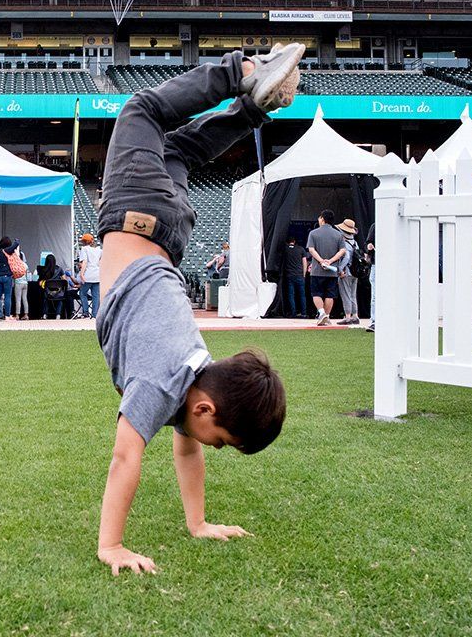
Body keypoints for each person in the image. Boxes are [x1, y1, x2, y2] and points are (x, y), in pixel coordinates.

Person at [93, 45, 298, 575]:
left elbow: (187, 451)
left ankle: (252, 110)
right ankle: (243, 72)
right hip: (140, 216)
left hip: (166, 228)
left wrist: (198, 523)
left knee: (179, 151)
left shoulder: (193, 370)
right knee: (140, 110)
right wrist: (112, 545)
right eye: (224, 442)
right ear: (206, 410)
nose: (213, 448)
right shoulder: (165, 384)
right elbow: (125, 458)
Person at [306, 209, 347, 327]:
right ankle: (327, 317)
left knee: (316, 293)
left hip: (317, 270)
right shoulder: (338, 234)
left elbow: (311, 249)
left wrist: (321, 261)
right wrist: (331, 261)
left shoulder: (313, 233)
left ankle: (322, 313)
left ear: (323, 219)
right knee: (330, 294)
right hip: (332, 271)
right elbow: (343, 250)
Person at [335, 219, 361, 326]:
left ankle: (347, 316)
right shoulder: (355, 243)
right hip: (356, 273)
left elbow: (346, 257)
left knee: (345, 294)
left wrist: (340, 269)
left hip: (347, 272)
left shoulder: (344, 244)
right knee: (353, 294)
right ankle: (355, 316)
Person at [281, 235, 308, 318]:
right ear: (294, 241)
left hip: (289, 275)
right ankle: (303, 313)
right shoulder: (301, 249)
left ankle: (293, 313)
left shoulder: (285, 249)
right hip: (299, 274)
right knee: (302, 295)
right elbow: (305, 262)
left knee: (291, 295)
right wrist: (304, 274)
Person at [77, 233, 102, 318]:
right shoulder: (99, 250)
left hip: (88, 275)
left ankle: (86, 312)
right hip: (97, 275)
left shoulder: (84, 249)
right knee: (96, 296)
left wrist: (81, 274)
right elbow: (99, 263)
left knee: (82, 293)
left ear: (84, 242)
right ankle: (95, 315)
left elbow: (84, 262)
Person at [40, 253, 67, 319]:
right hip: (58, 292)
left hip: (48, 293)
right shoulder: (59, 269)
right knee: (60, 298)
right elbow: (64, 280)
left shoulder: (44, 270)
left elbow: (41, 283)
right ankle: (58, 315)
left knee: (45, 298)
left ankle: (45, 314)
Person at [10, 241, 30, 320]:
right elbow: (28, 274)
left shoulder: (15, 265)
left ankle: (17, 315)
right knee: (25, 299)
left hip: (18, 283)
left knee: (18, 299)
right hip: (25, 283)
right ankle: (26, 314)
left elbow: (13, 275)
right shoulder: (25, 264)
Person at [364, 222, 376, 333]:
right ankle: (374, 321)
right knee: (375, 295)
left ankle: (374, 321)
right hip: (376, 264)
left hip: (377, 264)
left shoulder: (375, 225)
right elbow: (368, 243)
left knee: (375, 295)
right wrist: (369, 246)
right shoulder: (375, 225)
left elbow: (368, 242)